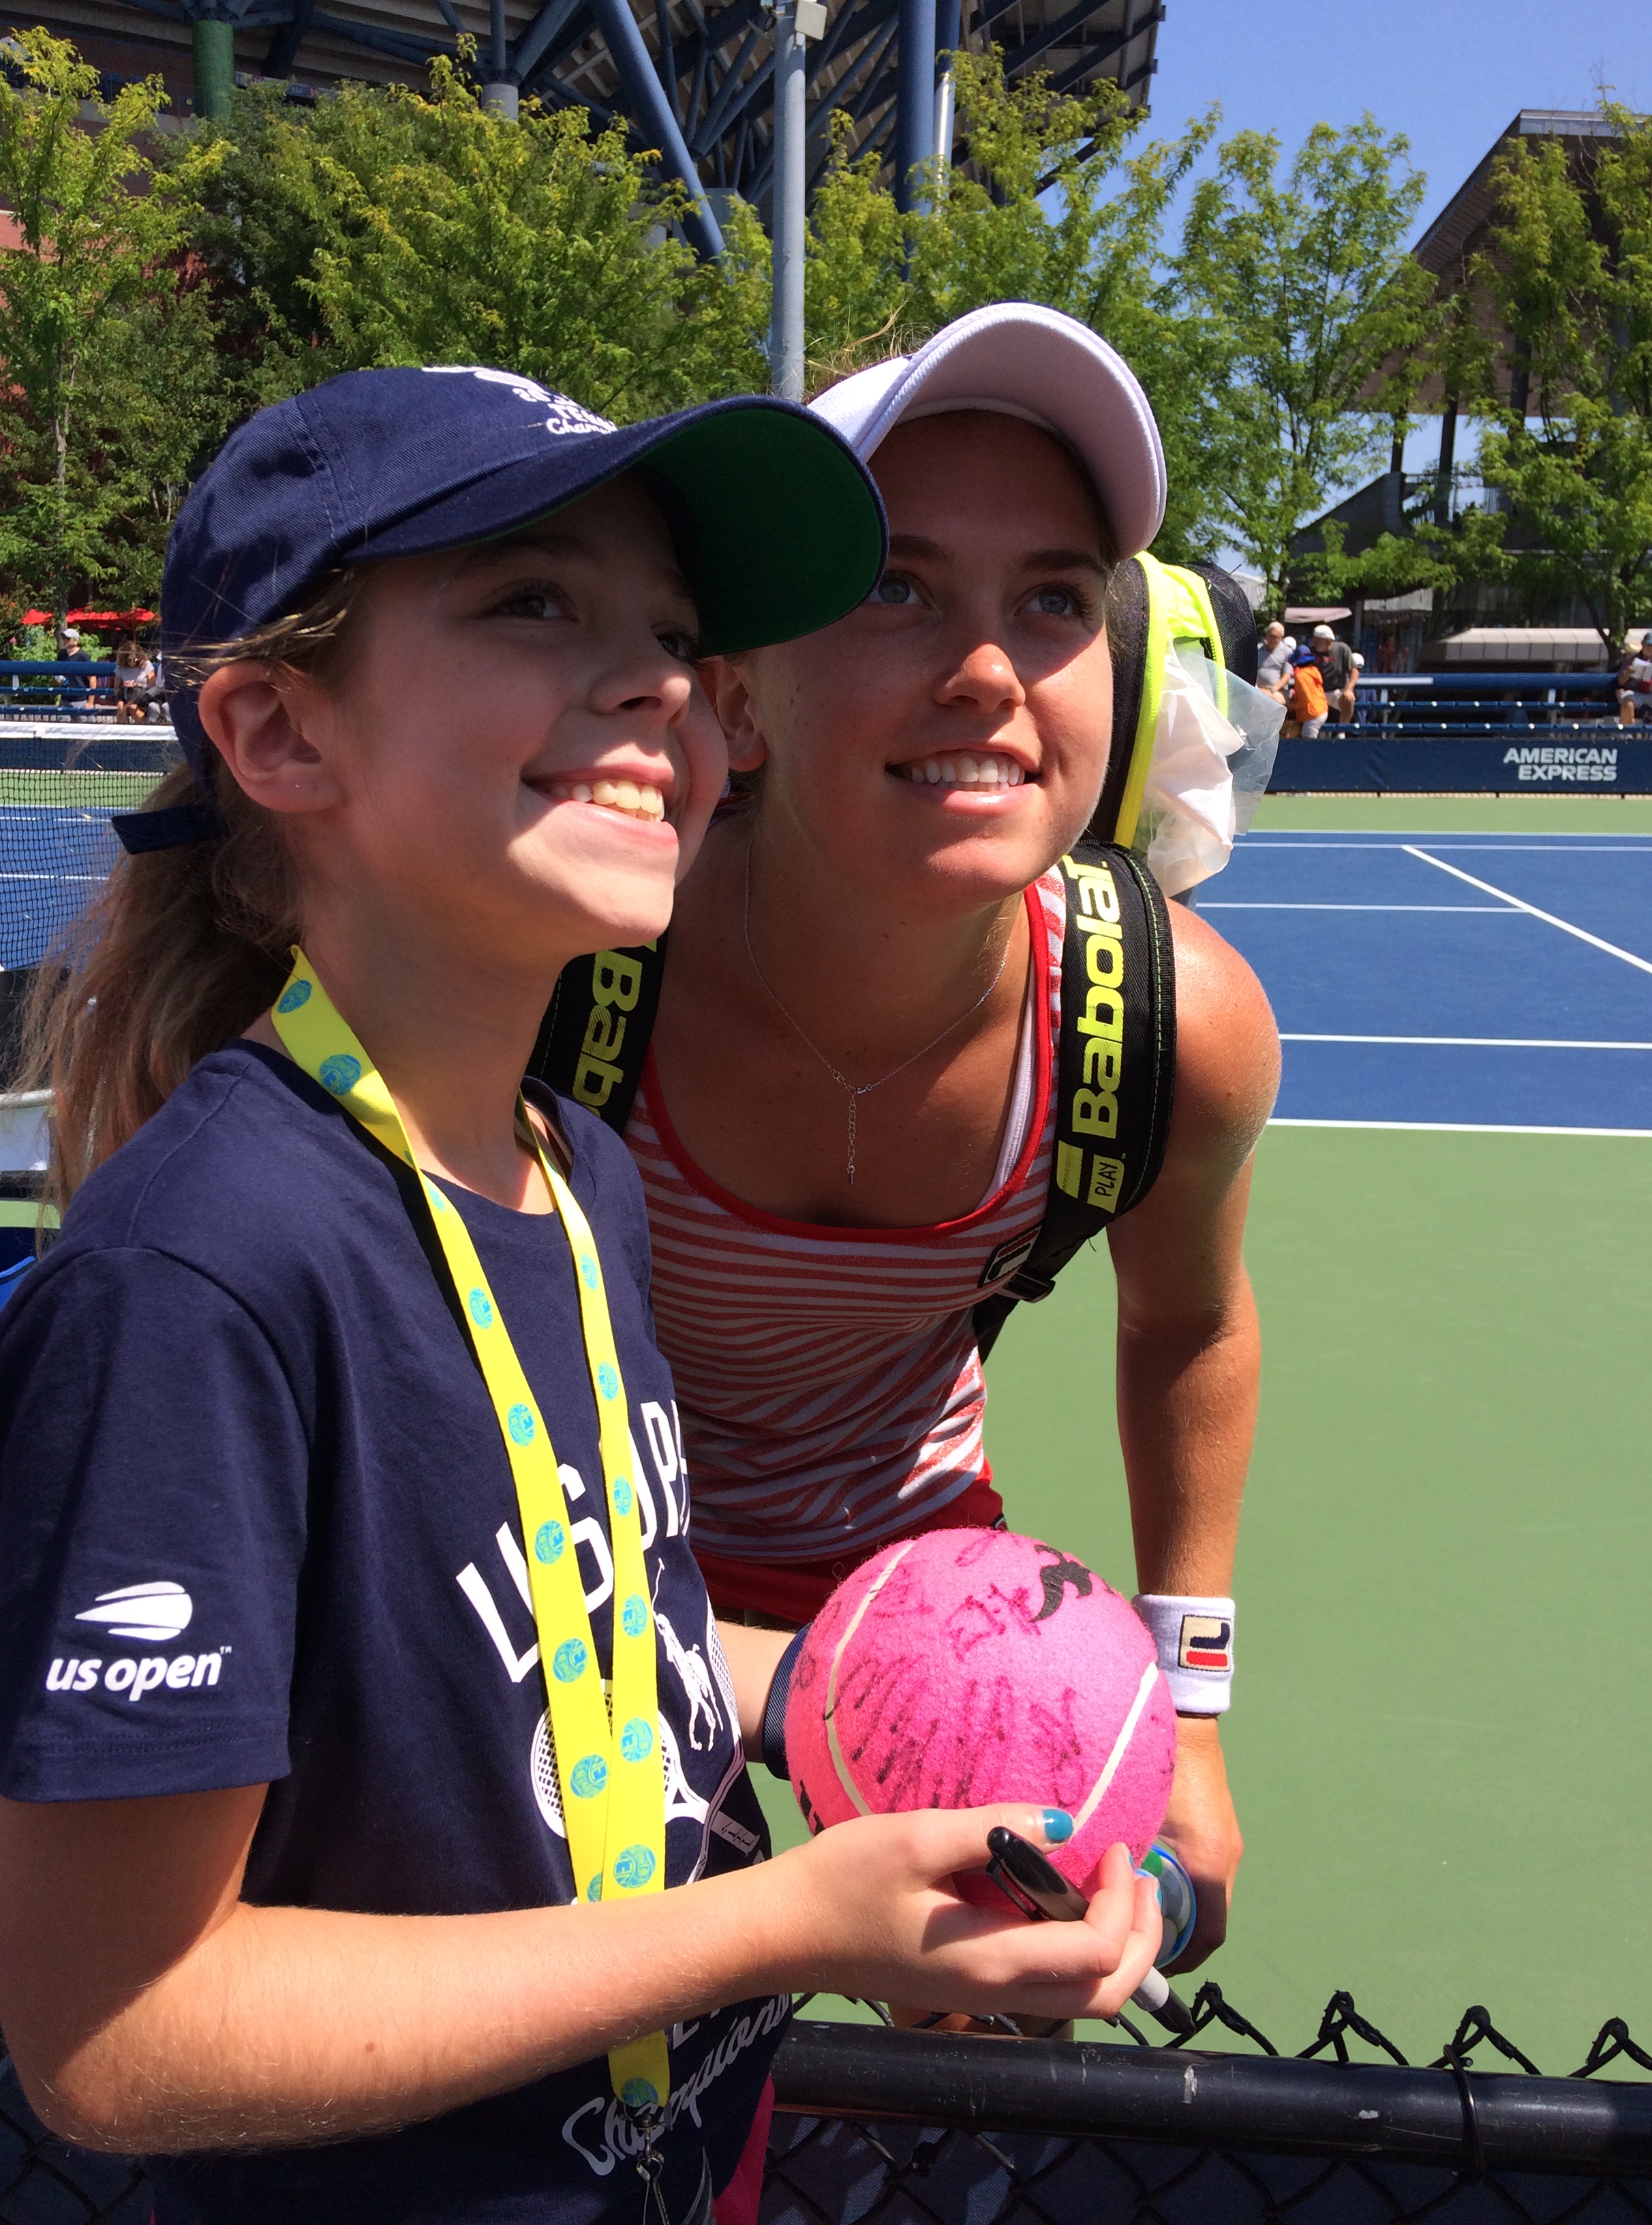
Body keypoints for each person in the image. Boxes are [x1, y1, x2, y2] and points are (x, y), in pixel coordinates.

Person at [0, 367, 1161, 2225]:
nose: (660, 686)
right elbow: (118, 2035)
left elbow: (591, 1633)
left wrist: (936, 1728)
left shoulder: (576, 1176)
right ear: (281, 732)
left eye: (682, 637)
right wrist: (770, 1922)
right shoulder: (199, 1284)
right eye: (537, 604)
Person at [551, 305, 1281, 1975]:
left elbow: (1191, 1324)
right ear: (733, 694)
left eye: (1050, 598)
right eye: (891, 586)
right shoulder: (569, 972)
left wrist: (1191, 1705)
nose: (987, 669)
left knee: (979, 2003)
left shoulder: (1168, 1027)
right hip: (575, 1548)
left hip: (915, 1573)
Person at [1617, 630, 1652, 727]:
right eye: (1648, 645)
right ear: (1643, 644)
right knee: (1627, 703)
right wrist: (1628, 673)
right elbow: (1621, 682)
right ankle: (1629, 735)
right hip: (1635, 691)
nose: (1651, 648)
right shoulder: (1631, 659)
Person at [1311, 624, 1356, 726]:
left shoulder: (1342, 649)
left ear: (1328, 640)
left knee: (1349, 700)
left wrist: (1349, 690)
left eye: (1318, 641)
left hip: (1337, 691)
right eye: (1314, 640)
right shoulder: (1311, 651)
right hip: (1317, 693)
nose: (1315, 643)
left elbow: (1354, 671)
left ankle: (1342, 731)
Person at [111, 634, 157, 725]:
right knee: (121, 706)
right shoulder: (120, 667)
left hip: (142, 696)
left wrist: (137, 685)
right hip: (126, 695)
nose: (132, 662)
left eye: (135, 660)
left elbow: (152, 686)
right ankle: (123, 731)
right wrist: (124, 687)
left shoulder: (146, 665)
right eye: (129, 660)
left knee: (132, 707)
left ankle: (145, 728)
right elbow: (116, 687)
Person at [1255, 620, 1292, 700]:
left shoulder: (1287, 652)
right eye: (1270, 636)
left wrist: (1273, 690)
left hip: (1277, 690)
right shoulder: (1258, 650)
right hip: (1257, 688)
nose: (1272, 640)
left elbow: (1287, 675)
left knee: (1275, 700)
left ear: (1281, 638)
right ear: (1267, 635)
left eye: (1275, 637)